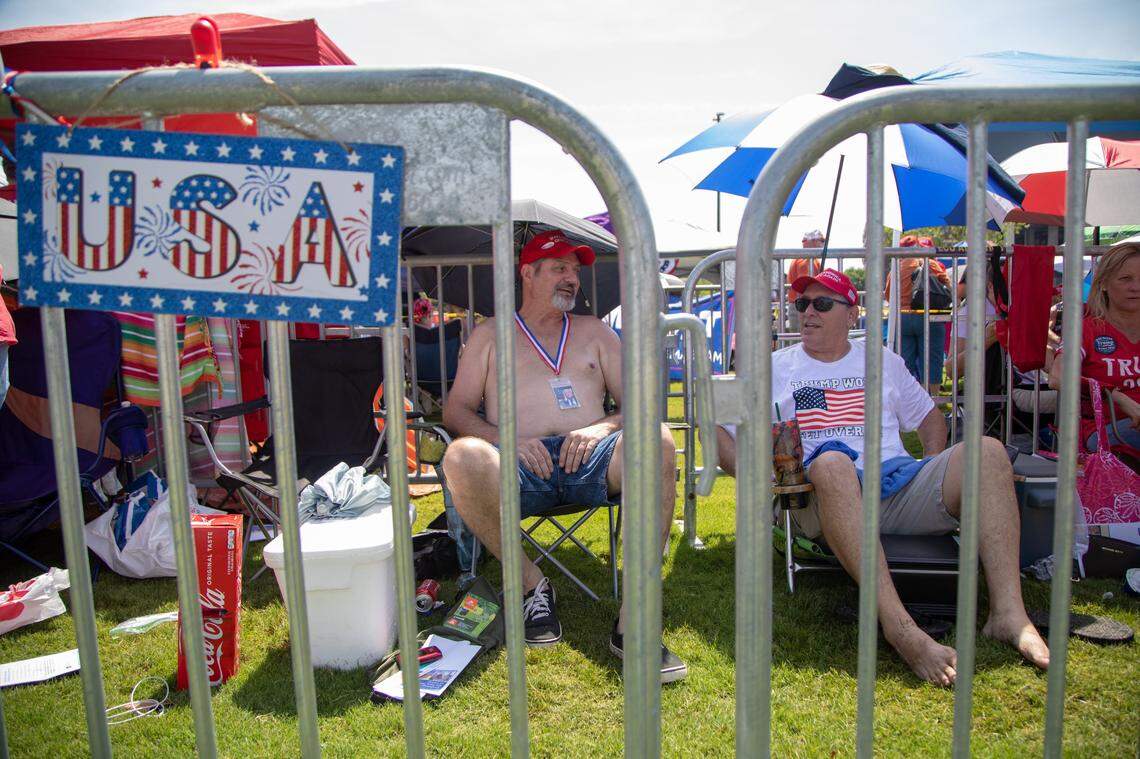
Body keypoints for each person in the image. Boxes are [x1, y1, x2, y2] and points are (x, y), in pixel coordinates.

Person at [716, 269, 1048, 686]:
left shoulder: (881, 360)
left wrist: (931, 460)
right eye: (802, 304)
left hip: (895, 483)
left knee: (989, 452)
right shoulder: (773, 368)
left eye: (822, 304)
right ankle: (901, 629)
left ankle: (1009, 614)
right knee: (833, 461)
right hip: (817, 497)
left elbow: (929, 418)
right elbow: (718, 426)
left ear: (852, 314)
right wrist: (758, 476)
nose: (808, 313)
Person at [440, 229, 687, 683]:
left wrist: (602, 427)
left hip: (592, 457)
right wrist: (504, 438)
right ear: (527, 273)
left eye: (575, 270)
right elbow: (455, 410)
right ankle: (531, 585)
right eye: (560, 268)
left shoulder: (595, 332)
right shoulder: (490, 333)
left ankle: (635, 619)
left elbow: (639, 404)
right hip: (517, 462)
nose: (572, 278)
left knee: (657, 438)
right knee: (461, 456)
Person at [1050, 241, 1140, 455]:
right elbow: (1058, 377)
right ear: (1104, 283)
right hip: (1105, 431)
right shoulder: (1086, 329)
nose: (1136, 286)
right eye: (1125, 279)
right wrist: (1115, 396)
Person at [886, 235, 951, 393]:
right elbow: (949, 287)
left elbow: (888, 295)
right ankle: (931, 404)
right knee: (932, 366)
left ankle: (907, 407)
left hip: (903, 319)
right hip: (929, 316)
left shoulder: (896, 267)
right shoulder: (931, 264)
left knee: (904, 366)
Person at [786, 229, 825, 332]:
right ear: (812, 241)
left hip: (800, 306)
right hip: (802, 307)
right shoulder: (806, 261)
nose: (823, 243)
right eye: (821, 240)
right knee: (804, 342)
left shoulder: (801, 258)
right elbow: (806, 288)